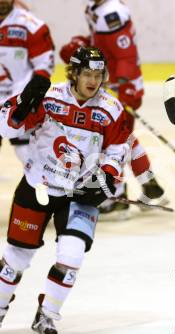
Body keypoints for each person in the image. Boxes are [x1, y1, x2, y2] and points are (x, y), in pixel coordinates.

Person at [0, 46, 130, 333]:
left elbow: (117, 149)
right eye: (87, 73)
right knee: (14, 259)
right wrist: (21, 105)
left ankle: (47, 314)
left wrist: (107, 179)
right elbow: (6, 128)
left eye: (98, 74)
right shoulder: (49, 98)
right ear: (74, 73)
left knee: (71, 257)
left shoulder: (111, 108)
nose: (93, 80)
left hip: (79, 194)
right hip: (38, 185)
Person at [59, 0, 168, 220]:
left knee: (110, 141)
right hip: (112, 84)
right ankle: (148, 184)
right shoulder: (97, 7)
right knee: (123, 138)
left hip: (121, 87)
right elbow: (105, 46)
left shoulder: (112, 13)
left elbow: (125, 55)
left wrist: (125, 87)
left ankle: (118, 196)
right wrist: (84, 44)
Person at [0, 0, 55, 164]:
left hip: (17, 101)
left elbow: (45, 64)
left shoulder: (31, 26)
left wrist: (31, 98)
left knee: (27, 155)